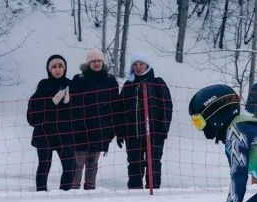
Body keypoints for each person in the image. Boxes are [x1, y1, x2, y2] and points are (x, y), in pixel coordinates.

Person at [68, 48, 122, 190]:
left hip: (100, 128)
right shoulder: (79, 79)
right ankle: (73, 190)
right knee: (78, 162)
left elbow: (115, 105)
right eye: (93, 61)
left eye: (99, 61)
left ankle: (90, 189)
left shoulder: (110, 80)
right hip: (80, 128)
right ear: (88, 63)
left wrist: (111, 129)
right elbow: (71, 105)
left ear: (103, 62)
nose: (97, 63)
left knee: (93, 162)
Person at [118, 52, 173, 189]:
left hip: (155, 133)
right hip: (133, 133)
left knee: (153, 163)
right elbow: (120, 110)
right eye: (135, 64)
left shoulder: (157, 83)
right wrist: (120, 132)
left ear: (147, 65)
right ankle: (135, 193)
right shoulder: (128, 85)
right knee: (134, 164)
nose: (138, 67)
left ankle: (153, 191)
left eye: (141, 64)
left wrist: (163, 128)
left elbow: (167, 106)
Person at [26, 54, 74, 191]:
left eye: (60, 66)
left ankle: (65, 193)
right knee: (44, 164)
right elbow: (32, 112)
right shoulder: (43, 85)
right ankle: (41, 193)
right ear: (49, 69)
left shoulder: (71, 84)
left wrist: (69, 102)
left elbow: (78, 111)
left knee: (70, 165)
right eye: (54, 67)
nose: (57, 70)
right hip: (45, 134)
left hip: (65, 134)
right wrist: (51, 102)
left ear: (65, 69)